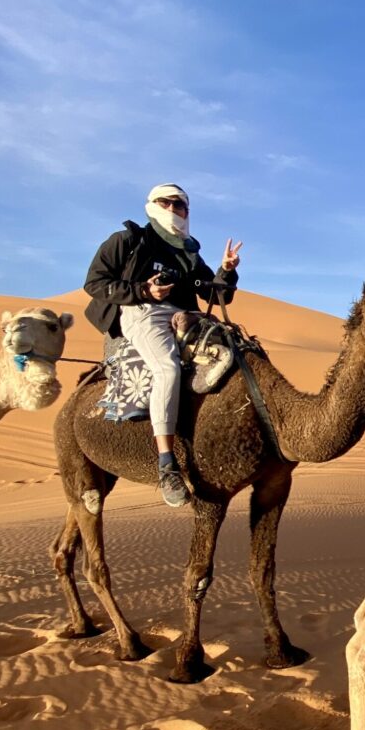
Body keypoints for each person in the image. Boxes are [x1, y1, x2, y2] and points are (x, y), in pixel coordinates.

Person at [84, 183, 243, 507]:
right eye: (166, 202)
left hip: (184, 316)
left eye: (180, 205)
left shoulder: (187, 252)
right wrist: (143, 290)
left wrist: (226, 271)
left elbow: (216, 295)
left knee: (234, 355)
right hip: (141, 312)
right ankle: (167, 464)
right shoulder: (127, 241)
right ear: (152, 205)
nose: (173, 209)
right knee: (168, 369)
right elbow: (95, 283)